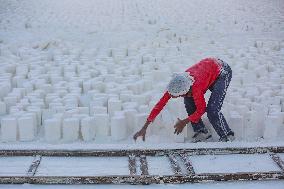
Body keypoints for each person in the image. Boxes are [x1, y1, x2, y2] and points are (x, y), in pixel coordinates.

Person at [133, 57, 235, 142]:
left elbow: (201, 109)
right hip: (207, 70)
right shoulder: (176, 86)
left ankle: (227, 136)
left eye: (186, 94)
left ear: (188, 89)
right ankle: (202, 131)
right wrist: (144, 127)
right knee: (188, 101)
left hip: (222, 72)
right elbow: (159, 106)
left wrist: (184, 121)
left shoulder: (196, 87)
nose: (183, 96)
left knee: (212, 109)